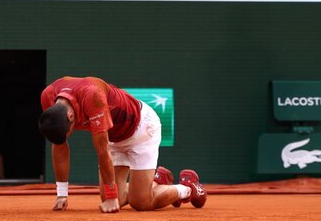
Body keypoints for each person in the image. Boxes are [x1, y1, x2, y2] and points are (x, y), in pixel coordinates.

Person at [38, 76, 207, 213]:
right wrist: (61, 194)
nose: (71, 133)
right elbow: (59, 146)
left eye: (70, 131)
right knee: (111, 198)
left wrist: (112, 197)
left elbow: (103, 152)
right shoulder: (49, 96)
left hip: (141, 130)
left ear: (70, 116)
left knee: (141, 203)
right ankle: (157, 181)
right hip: (114, 137)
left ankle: (187, 188)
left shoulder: (92, 95)